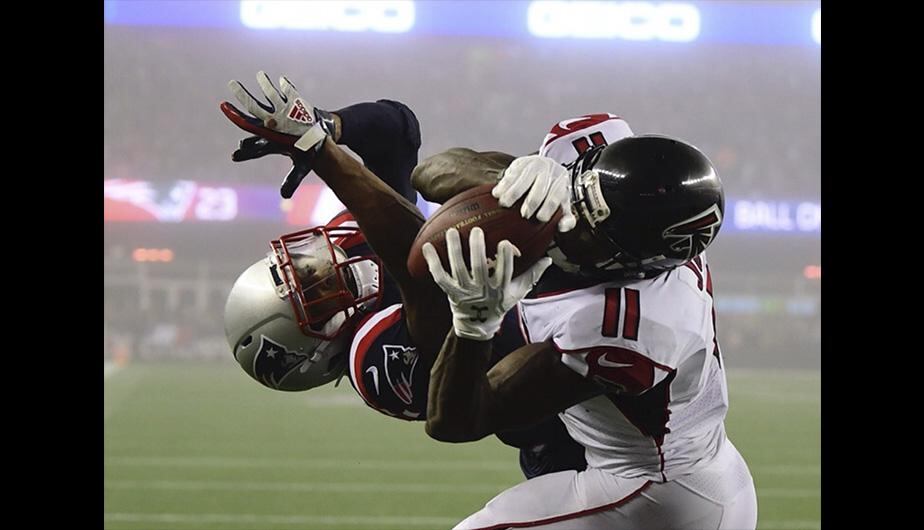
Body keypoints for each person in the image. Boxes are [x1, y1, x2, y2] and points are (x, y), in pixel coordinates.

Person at [220, 72, 586, 478]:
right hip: (573, 435)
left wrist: (329, 126)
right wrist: (323, 155)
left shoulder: (350, 238)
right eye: (314, 290)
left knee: (432, 175)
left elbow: (399, 132)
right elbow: (425, 277)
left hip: (566, 305)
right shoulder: (371, 363)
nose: (323, 268)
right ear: (316, 350)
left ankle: (566, 190)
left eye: (305, 267)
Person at [414, 124, 758, 529]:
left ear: (632, 262)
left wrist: (473, 326)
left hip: (657, 495)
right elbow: (427, 174)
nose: (567, 220)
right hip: (711, 467)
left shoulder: (634, 324)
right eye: (576, 196)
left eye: (588, 226)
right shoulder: (609, 173)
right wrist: (512, 178)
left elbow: (456, 421)